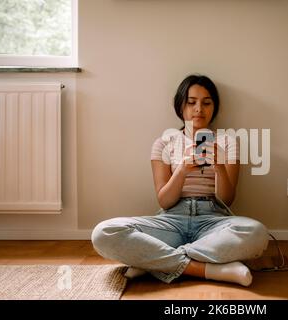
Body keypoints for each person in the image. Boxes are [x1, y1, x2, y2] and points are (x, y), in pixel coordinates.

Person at [91, 74, 269, 286]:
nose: (199, 109)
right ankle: (209, 269)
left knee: (256, 232)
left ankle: (153, 261)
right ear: (180, 106)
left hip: (213, 220)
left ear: (215, 107)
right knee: (104, 233)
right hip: (171, 220)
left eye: (206, 103)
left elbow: (227, 201)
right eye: (191, 102)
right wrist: (182, 170)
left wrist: (219, 166)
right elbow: (164, 201)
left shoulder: (227, 142)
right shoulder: (164, 143)